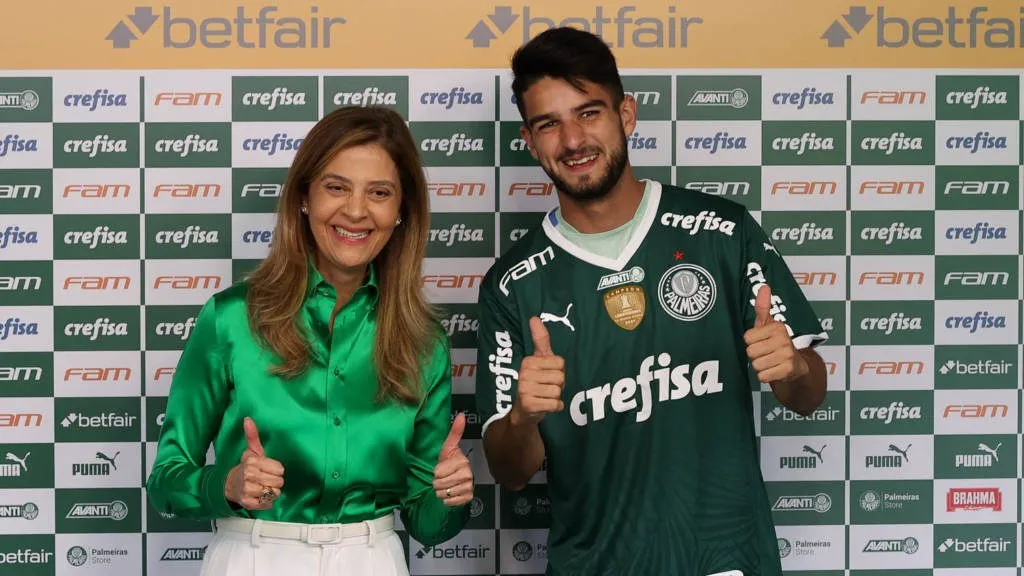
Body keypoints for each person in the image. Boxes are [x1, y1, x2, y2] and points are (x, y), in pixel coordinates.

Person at [475, 27, 828, 576]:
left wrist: (795, 367)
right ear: (530, 140)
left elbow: (808, 396)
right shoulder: (511, 284)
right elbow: (510, 471)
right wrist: (522, 419)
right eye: (549, 124)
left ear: (627, 114)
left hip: (725, 560)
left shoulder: (723, 232)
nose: (572, 140)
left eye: (589, 113)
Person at [146, 105, 473, 575]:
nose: (355, 211)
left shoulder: (424, 340)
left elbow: (427, 523)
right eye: (336, 187)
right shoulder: (231, 318)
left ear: (401, 211)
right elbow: (165, 481)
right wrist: (226, 485)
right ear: (304, 196)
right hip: (252, 558)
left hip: (373, 561)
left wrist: (449, 496)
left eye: (379, 192)